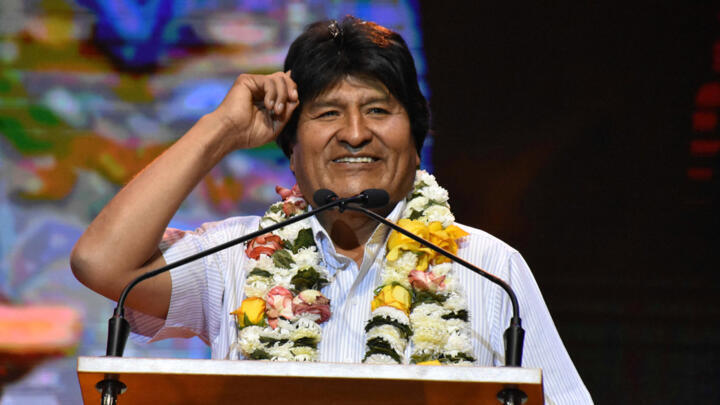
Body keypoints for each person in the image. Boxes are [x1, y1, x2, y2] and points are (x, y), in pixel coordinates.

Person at [71, 16, 592, 404]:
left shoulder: (489, 268)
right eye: (327, 113)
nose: (355, 133)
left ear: (416, 142)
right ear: (292, 149)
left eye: (378, 110)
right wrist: (220, 130)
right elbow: (100, 262)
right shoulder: (234, 256)